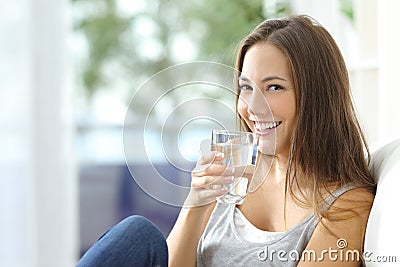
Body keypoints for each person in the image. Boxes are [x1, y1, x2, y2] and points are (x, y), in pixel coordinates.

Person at [76, 15, 376, 267]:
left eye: (274, 87)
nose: (253, 108)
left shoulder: (347, 205)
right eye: (246, 88)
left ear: (317, 98)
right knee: (137, 234)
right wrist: (196, 202)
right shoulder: (233, 172)